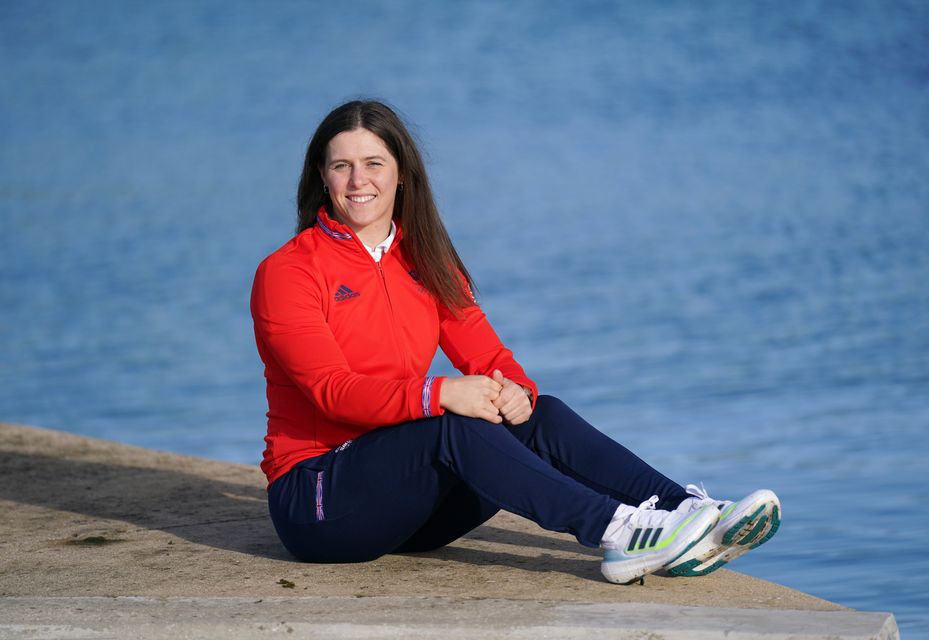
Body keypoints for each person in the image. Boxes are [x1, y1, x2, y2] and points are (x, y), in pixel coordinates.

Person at [250, 100, 780, 584]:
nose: (358, 180)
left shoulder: (426, 258)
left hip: (407, 511)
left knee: (538, 414)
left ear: (402, 175)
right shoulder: (289, 272)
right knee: (452, 429)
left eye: (374, 163)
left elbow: (488, 356)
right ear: (322, 177)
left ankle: (685, 513)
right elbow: (331, 391)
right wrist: (440, 394)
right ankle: (622, 533)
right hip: (319, 502)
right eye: (341, 165)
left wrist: (515, 391)